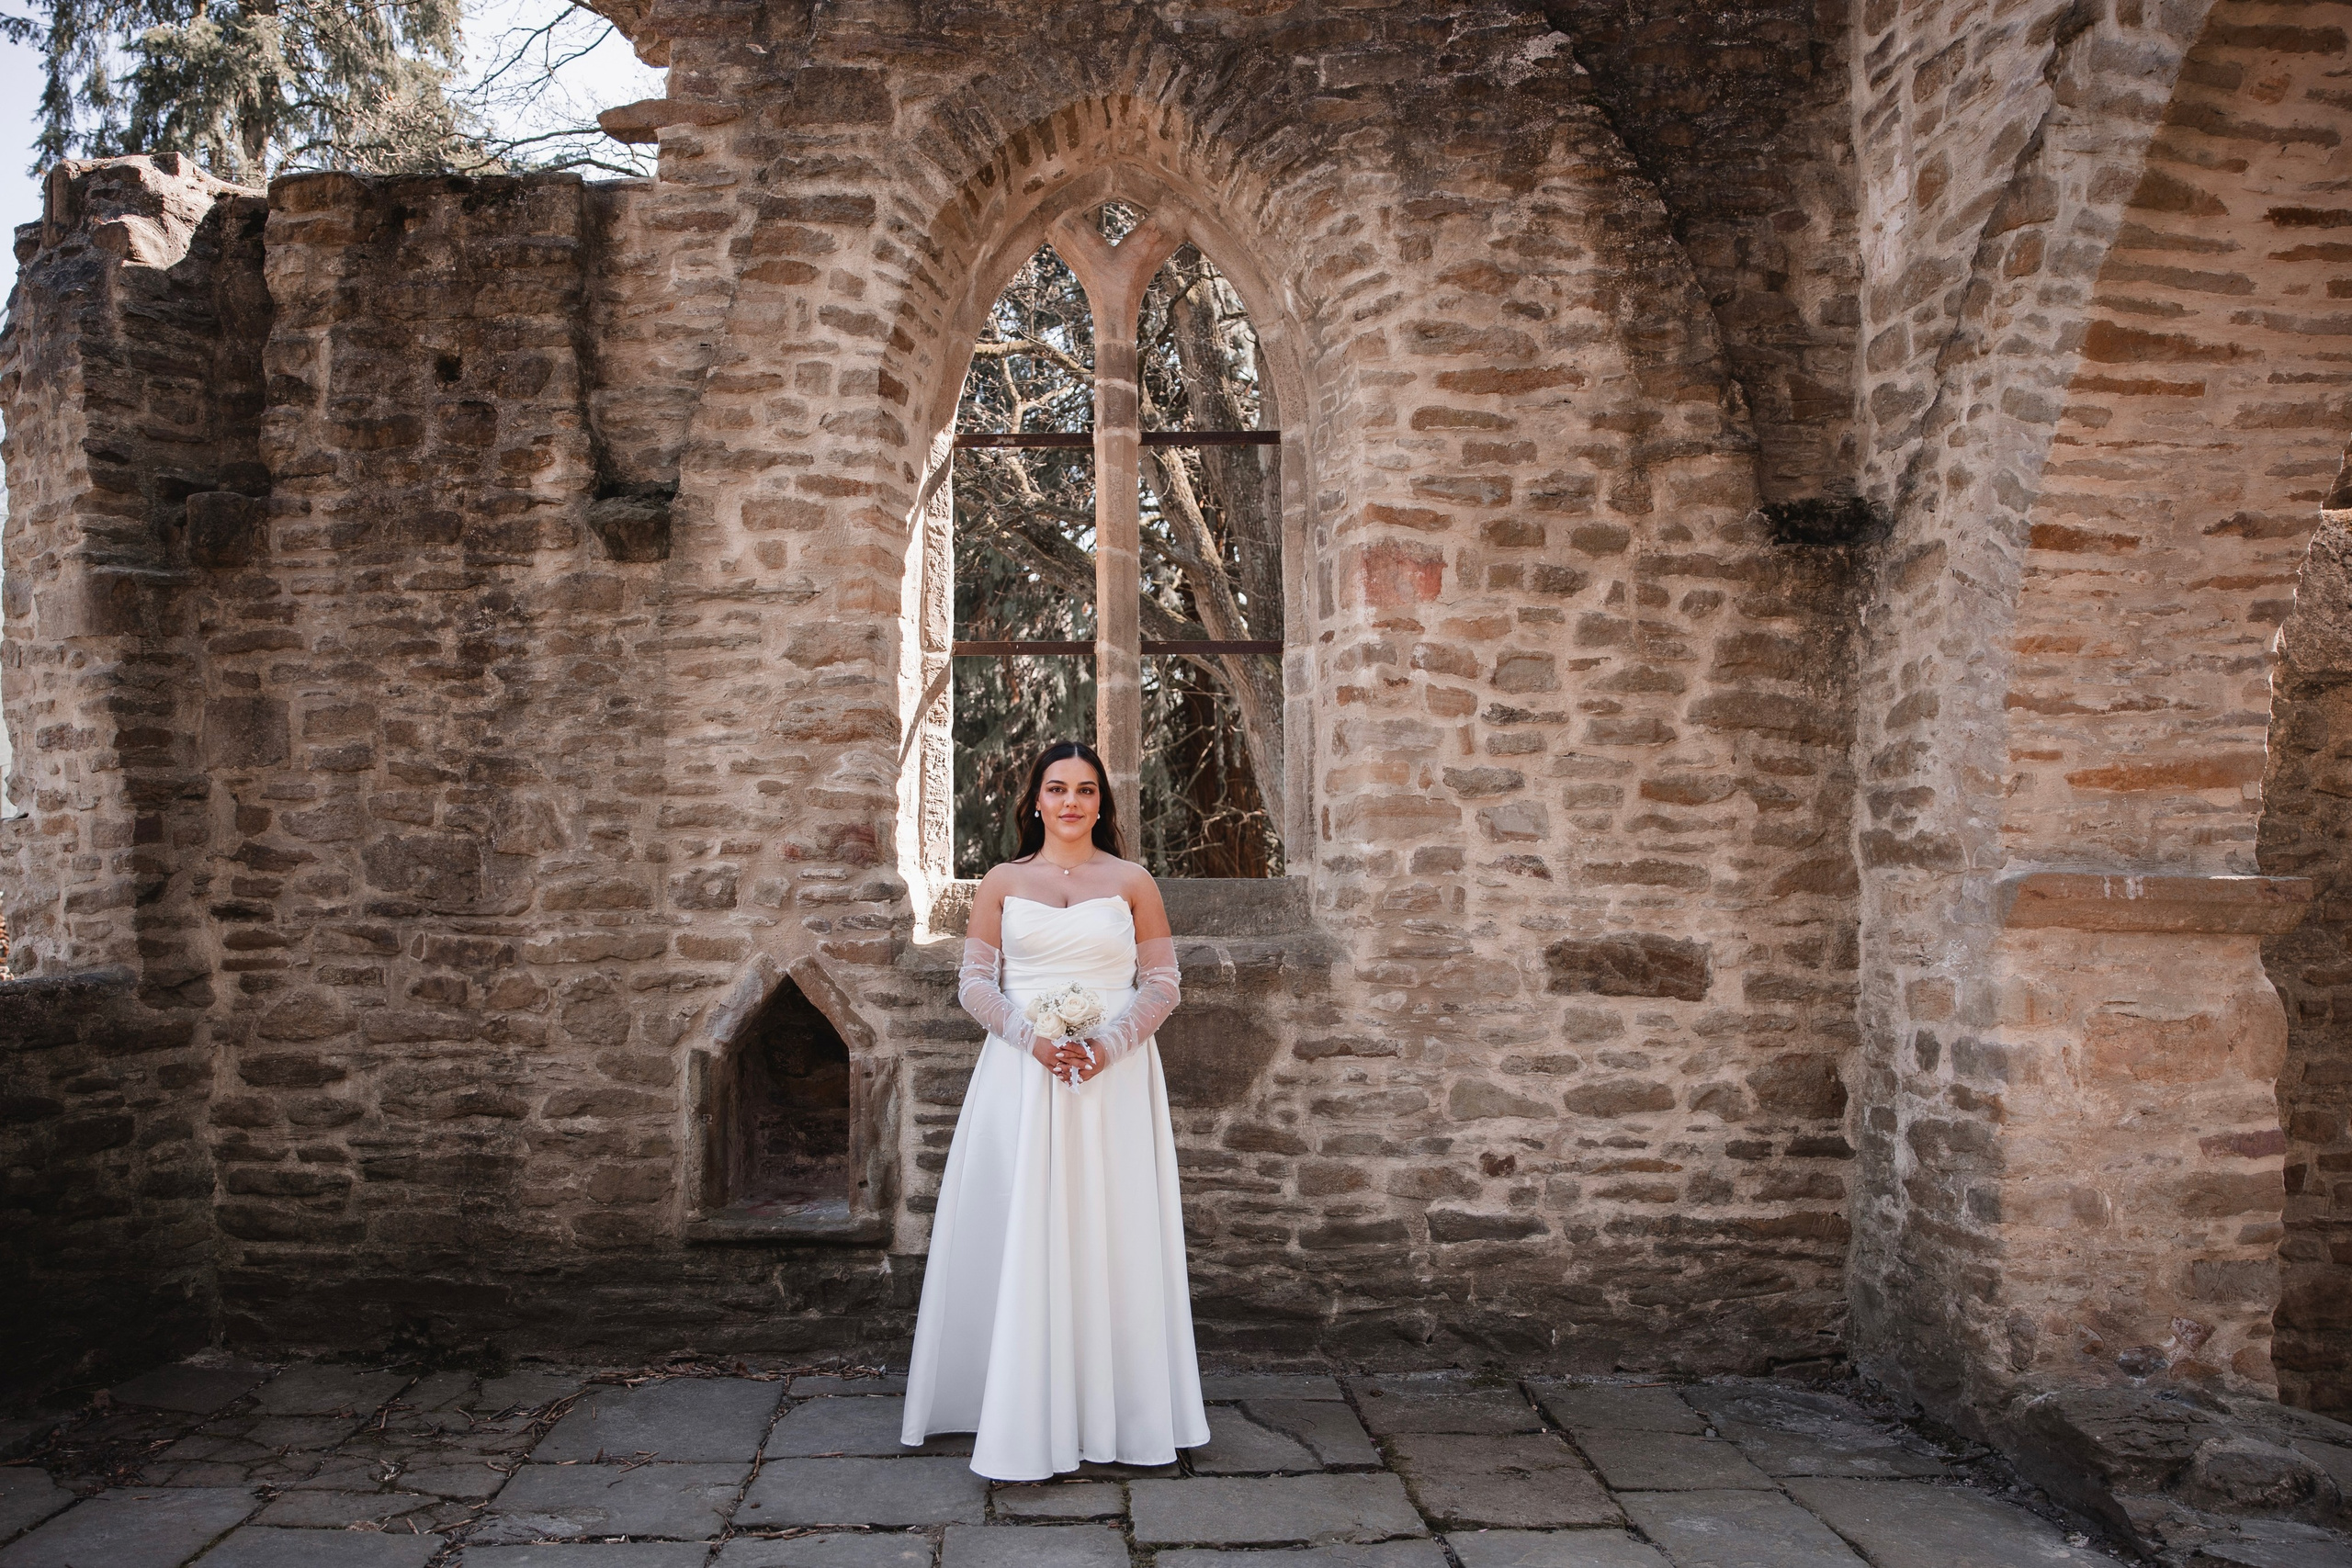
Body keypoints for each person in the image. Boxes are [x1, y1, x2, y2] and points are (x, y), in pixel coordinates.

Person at [899, 739, 1210, 1479]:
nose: (1071, 801)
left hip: (1115, 1077)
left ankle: (1123, 1411)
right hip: (1021, 1075)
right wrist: (1030, 1040)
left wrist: (1108, 1043)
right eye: (1056, 787)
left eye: (1085, 789)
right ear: (1034, 800)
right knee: (1022, 1224)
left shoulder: (1133, 880)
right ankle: (1010, 1401)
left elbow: (1163, 982)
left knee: (1112, 1225)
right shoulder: (1001, 882)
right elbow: (975, 983)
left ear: (1102, 803)